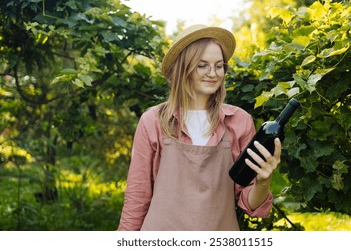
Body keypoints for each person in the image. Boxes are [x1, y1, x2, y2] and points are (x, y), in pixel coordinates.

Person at [117, 24, 281, 231]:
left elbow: (249, 203)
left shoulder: (239, 121)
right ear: (183, 68)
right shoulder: (153, 121)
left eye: (219, 65)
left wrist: (263, 182)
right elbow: (137, 197)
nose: (212, 73)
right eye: (202, 65)